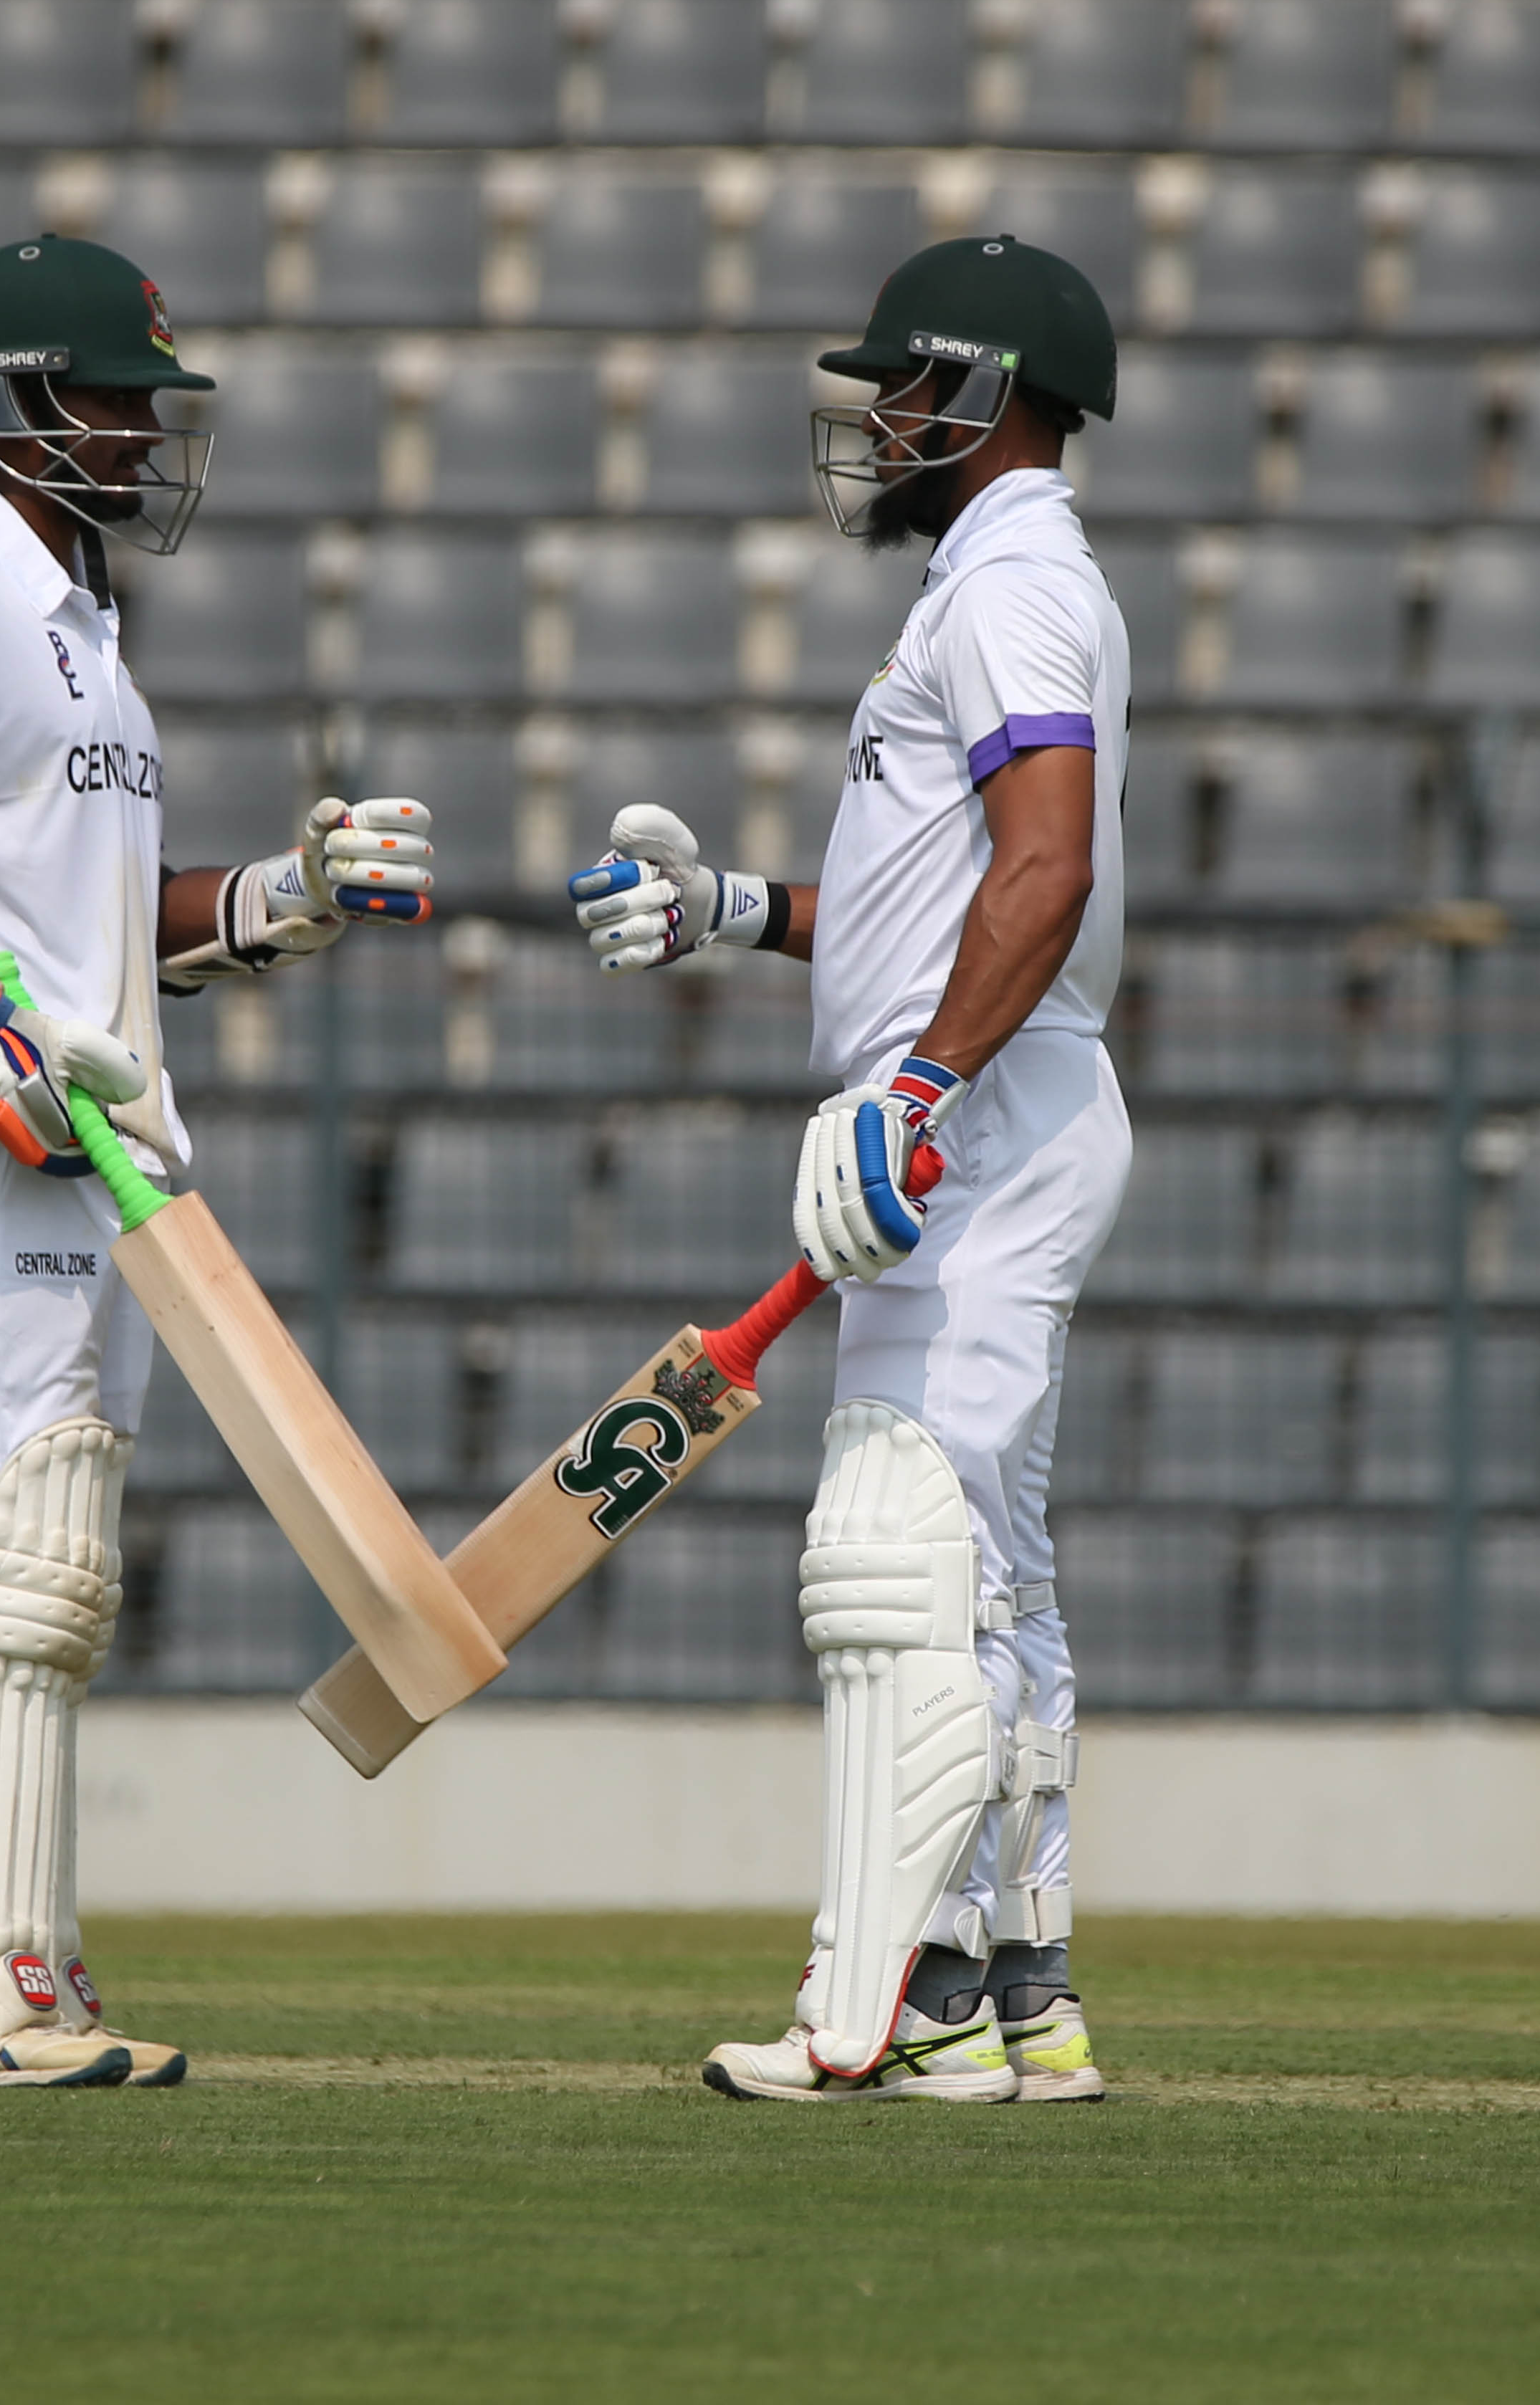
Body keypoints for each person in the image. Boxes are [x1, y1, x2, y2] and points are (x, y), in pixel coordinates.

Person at [0, 234, 436, 2087]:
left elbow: (106, 931)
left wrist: (287, 895)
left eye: (149, 402)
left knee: (48, 1553)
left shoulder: (85, 634)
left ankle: (15, 1959)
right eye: (113, 398)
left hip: (97, 1142)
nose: (143, 432)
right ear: (7, 403)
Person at [567, 237, 1132, 2103]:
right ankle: (1016, 1987)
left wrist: (920, 1090)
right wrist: (735, 908)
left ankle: (893, 2010)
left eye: (903, 386)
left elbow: (1041, 875)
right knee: (992, 1574)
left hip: (983, 1121)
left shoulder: (1014, 590)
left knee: (899, 1550)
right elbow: (935, 897)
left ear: (983, 395)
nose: (877, 419)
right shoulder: (997, 586)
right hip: (999, 1106)